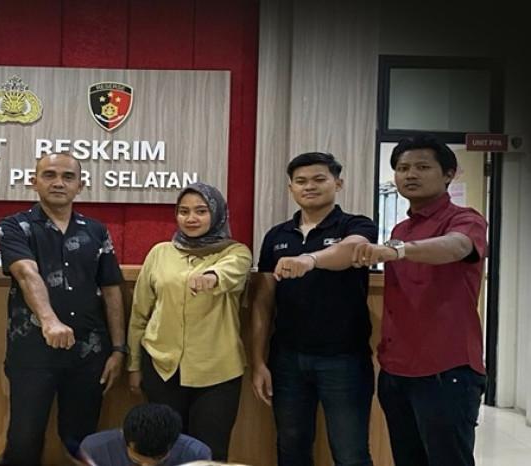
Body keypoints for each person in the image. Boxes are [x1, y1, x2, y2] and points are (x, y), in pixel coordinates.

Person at [352, 135, 487, 466]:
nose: (410, 174)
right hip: (396, 369)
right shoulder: (400, 228)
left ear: (448, 174)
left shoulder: (465, 219)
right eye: (402, 168)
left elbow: (457, 246)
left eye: (423, 167)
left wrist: (398, 250)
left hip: (447, 369)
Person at [0, 152, 126, 465]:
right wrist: (49, 320)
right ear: (34, 182)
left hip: (89, 354)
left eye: (68, 177)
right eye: (49, 175)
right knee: (23, 440)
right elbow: (26, 273)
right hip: (32, 353)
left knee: (82, 442)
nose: (58, 183)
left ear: (80, 185)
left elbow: (111, 290)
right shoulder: (14, 227)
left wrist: (119, 350)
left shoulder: (96, 231)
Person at [250, 152, 377, 466]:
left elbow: (353, 250)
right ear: (291, 188)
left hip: (344, 359)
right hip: (287, 360)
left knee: (350, 453)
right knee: (291, 449)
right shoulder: (277, 235)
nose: (309, 186)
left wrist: (310, 259)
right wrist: (258, 361)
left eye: (319, 179)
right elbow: (263, 301)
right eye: (301, 181)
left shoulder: (355, 224)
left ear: (338, 183)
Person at [127, 182, 252, 460]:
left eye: (201, 211)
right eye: (184, 211)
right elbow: (139, 314)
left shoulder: (235, 252)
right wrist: (134, 365)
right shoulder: (160, 252)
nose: (191, 218)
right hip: (162, 366)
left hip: (217, 371)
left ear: (216, 214)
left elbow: (230, 271)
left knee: (210, 452)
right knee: (164, 450)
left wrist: (211, 277)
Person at [79, 403, 211, 466]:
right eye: (136, 462)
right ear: (124, 435)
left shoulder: (197, 455)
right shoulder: (93, 450)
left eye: (158, 461)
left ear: (173, 442)